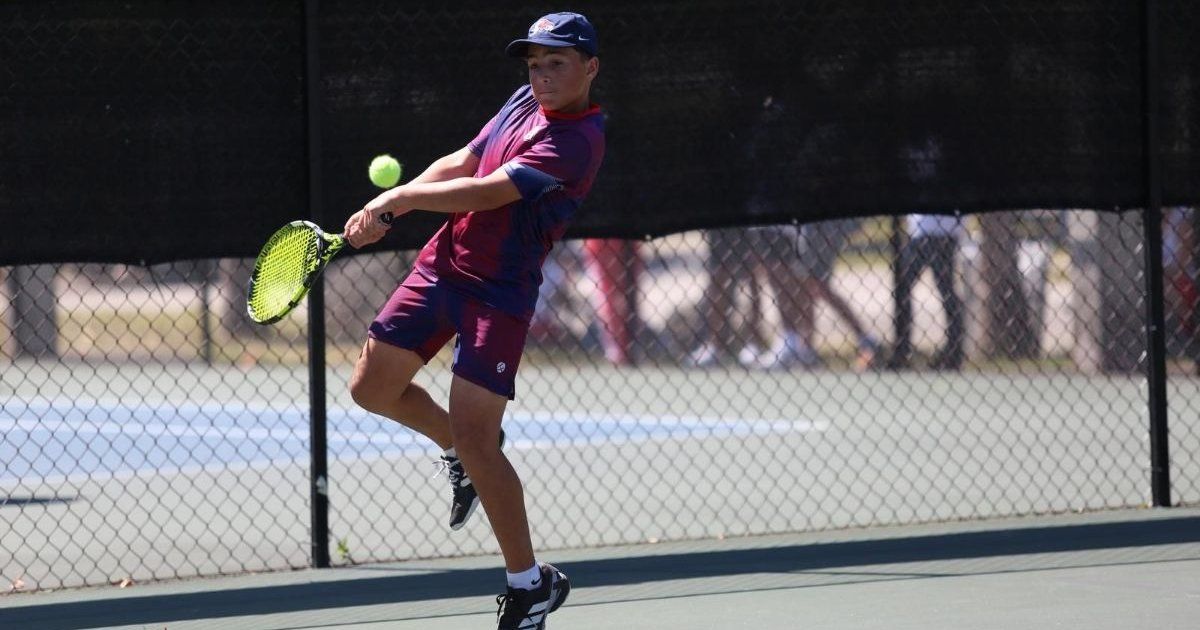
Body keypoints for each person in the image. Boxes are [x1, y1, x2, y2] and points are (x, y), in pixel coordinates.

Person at [342, 12, 603, 629]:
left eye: (557, 63)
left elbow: (489, 190)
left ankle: (530, 584)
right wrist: (393, 197)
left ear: (591, 67)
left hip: (500, 295)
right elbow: (467, 160)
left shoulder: (578, 140)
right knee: (370, 388)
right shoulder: (523, 101)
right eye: (534, 64)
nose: (541, 75)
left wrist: (401, 198)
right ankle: (456, 453)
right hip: (442, 267)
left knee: (483, 440)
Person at [751, 219, 881, 370]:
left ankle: (865, 338)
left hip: (821, 223)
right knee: (804, 285)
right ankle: (804, 349)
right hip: (801, 227)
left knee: (816, 284)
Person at [890, 213, 965, 370]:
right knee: (904, 288)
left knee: (945, 289)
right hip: (924, 232)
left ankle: (953, 351)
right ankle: (903, 349)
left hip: (937, 231)